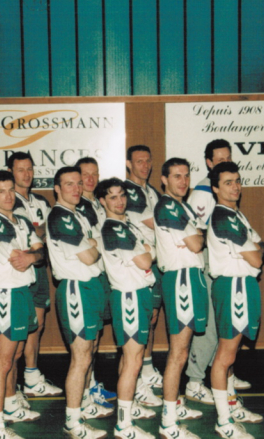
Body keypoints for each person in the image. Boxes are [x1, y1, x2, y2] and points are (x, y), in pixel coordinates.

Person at [185, 139, 252, 406]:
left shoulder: (228, 189)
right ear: (209, 163)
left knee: (227, 326)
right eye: (220, 160)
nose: (225, 162)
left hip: (226, 268)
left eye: (228, 158)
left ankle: (223, 376)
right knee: (212, 326)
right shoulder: (204, 191)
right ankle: (194, 380)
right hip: (209, 265)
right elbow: (194, 231)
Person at [47, 166, 112, 439]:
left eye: (78, 183)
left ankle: (84, 404)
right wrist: (94, 246)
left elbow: (95, 246)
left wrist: (92, 245)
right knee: (81, 356)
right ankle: (72, 422)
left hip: (92, 287)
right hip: (76, 289)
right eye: (68, 184)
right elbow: (89, 256)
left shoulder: (77, 215)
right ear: (57, 189)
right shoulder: (60, 216)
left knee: (91, 350)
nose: (76, 188)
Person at [0, 170, 44, 439]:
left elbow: (40, 253)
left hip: (23, 292)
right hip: (5, 295)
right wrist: (32, 254)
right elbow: (18, 259)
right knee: (3, 361)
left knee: (16, 355)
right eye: (1, 191)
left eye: (10, 190)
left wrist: (33, 255)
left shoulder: (22, 221)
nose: (8, 196)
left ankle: (9, 406)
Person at [207, 162, 264, 439]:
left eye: (237, 180)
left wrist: (256, 249)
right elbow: (257, 256)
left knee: (231, 355)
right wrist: (255, 250)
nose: (235, 186)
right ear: (215, 188)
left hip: (242, 286)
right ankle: (223, 421)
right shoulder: (223, 217)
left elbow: (261, 246)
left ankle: (231, 406)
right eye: (228, 182)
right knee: (225, 355)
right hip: (233, 287)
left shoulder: (236, 215)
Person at [96, 177, 157, 439]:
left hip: (139, 293)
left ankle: (128, 411)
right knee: (133, 362)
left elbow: (150, 252)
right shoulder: (113, 228)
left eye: (122, 195)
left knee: (130, 358)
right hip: (128, 297)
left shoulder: (127, 224)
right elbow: (146, 260)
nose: (120, 201)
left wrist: (147, 251)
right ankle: (123, 424)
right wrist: (146, 251)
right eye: (112, 197)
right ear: (102, 201)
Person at [154, 157, 208, 439]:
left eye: (186, 175)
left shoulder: (183, 206)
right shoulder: (168, 206)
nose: (183, 181)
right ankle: (168, 422)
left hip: (191, 277)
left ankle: (174, 405)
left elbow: (197, 239)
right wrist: (198, 234)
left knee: (183, 351)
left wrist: (197, 234)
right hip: (181, 280)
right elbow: (197, 242)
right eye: (177, 176)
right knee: (178, 352)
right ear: (164, 179)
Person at [8, 152, 63, 399]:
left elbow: (52, 231)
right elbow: (29, 238)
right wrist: (39, 232)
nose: (26, 174)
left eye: (29, 169)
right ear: (11, 172)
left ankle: (31, 377)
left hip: (40, 269)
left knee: (37, 326)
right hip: (20, 271)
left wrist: (38, 232)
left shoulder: (41, 200)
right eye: (20, 169)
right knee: (18, 331)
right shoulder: (9, 200)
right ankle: (12, 387)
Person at [122, 145, 164, 408]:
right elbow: (158, 223)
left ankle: (146, 368)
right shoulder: (128, 191)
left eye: (148, 161)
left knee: (152, 316)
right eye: (139, 161)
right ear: (129, 164)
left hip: (155, 260)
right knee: (140, 320)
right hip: (139, 263)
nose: (145, 166)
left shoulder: (152, 191)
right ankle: (136, 381)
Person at [74, 157, 117, 407]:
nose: (90, 179)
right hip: (86, 279)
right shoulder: (77, 207)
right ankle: (85, 393)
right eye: (85, 174)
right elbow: (89, 244)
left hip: (103, 276)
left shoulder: (99, 204)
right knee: (86, 342)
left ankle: (91, 385)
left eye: (94, 174)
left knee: (96, 337)